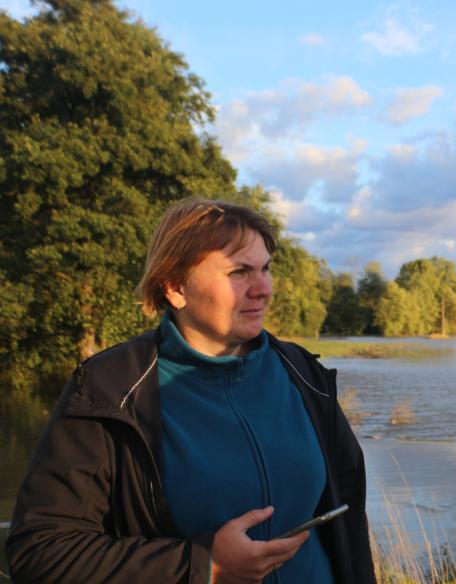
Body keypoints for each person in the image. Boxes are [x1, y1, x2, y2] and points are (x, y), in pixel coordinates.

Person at [6, 199, 376, 583]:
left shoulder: (303, 374)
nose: (263, 289)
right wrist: (202, 565)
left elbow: (350, 523)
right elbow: (42, 551)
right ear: (175, 287)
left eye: (266, 269)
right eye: (239, 272)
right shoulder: (111, 388)